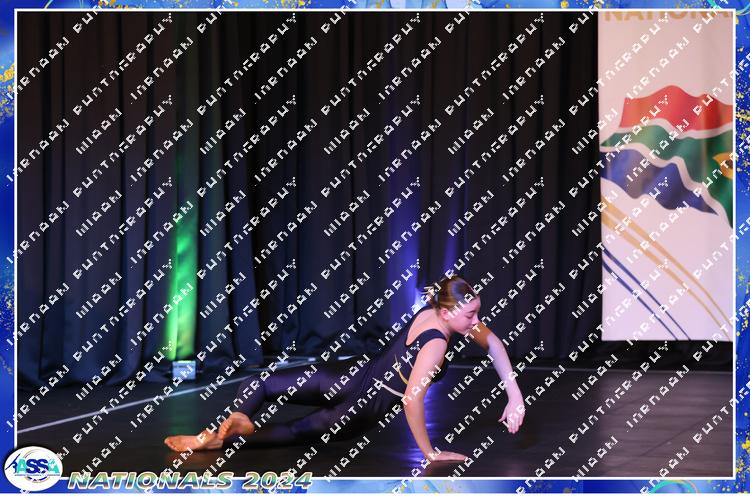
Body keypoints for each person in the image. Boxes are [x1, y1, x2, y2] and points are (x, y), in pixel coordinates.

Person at [164, 275, 525, 462]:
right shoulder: (437, 344)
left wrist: (514, 397)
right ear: (447, 312)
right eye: (471, 314)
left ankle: (227, 425)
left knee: (265, 383)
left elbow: (493, 344)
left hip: (348, 376)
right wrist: (429, 452)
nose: (476, 322)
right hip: (363, 406)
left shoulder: (434, 311)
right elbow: (412, 400)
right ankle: (226, 438)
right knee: (295, 431)